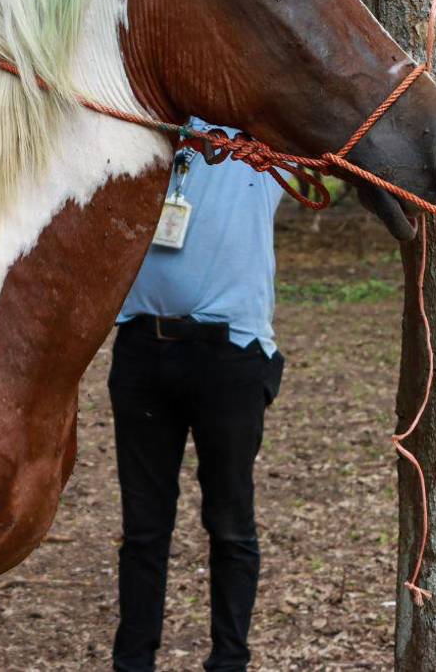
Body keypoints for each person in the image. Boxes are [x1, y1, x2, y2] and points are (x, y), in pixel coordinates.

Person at [109, 118, 287, 672]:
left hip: (230, 357)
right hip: (141, 348)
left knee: (231, 523)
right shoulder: (143, 125)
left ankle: (229, 661)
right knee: (143, 528)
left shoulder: (266, 135)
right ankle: (132, 662)